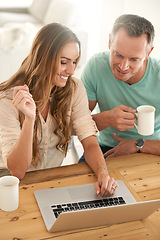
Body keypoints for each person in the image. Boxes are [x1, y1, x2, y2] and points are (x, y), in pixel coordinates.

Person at [0, 23, 118, 196]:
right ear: (43, 57)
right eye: (63, 62)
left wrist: (103, 174)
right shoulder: (8, 98)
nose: (71, 70)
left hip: (51, 180)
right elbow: (17, 171)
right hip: (10, 184)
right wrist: (30, 120)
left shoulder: (74, 88)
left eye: (75, 62)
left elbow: (89, 140)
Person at [80, 14, 160, 162]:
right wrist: (107, 119)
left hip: (152, 149)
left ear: (148, 53)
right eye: (118, 55)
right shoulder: (95, 66)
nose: (123, 67)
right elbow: (74, 124)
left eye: (134, 59)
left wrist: (138, 145)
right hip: (105, 147)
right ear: (110, 41)